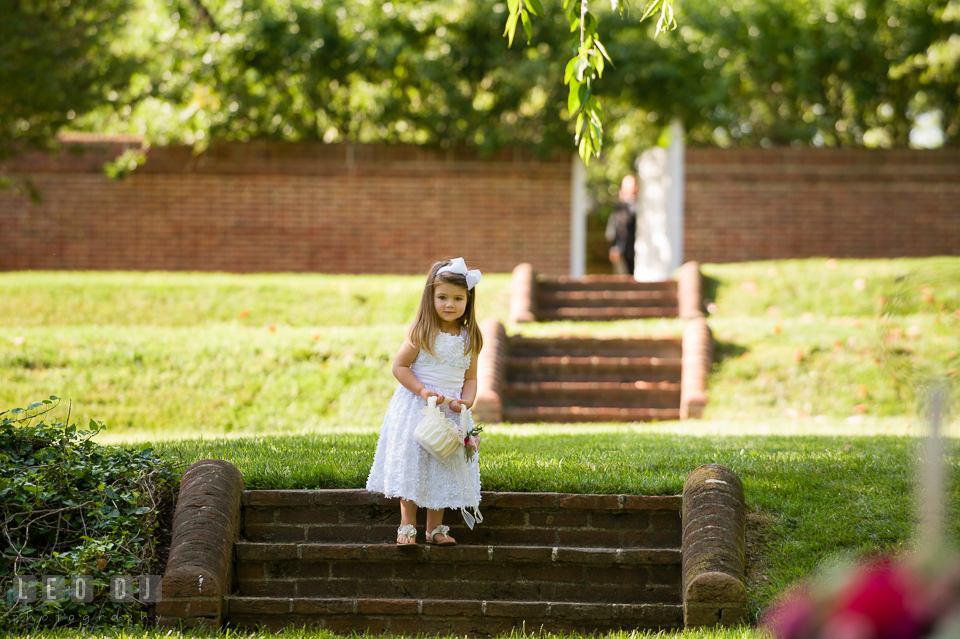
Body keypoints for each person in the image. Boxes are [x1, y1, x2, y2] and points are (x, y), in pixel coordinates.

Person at [365, 257, 484, 547]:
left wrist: (465, 402)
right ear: (430, 297)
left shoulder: (471, 338)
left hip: (449, 409)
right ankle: (407, 527)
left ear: (468, 300)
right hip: (418, 407)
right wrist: (421, 390)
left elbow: (470, 378)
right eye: (442, 297)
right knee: (414, 462)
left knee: (442, 462)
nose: (449, 304)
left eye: (458, 298)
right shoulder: (422, 332)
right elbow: (400, 367)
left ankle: (435, 528)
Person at [605, 175, 638, 275]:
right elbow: (615, 229)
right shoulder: (619, 209)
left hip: (637, 251)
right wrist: (615, 247)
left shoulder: (640, 207)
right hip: (623, 252)